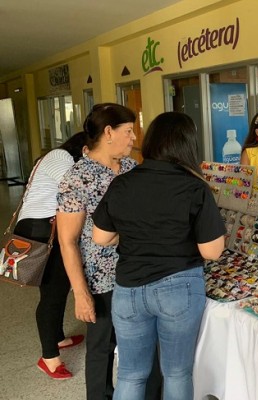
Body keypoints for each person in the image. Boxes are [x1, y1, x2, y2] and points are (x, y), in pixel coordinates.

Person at [92, 111, 226, 400]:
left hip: (128, 289)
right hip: (179, 288)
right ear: (188, 145)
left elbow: (100, 237)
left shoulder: (123, 183)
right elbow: (212, 251)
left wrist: (130, 230)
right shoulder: (194, 187)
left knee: (130, 373)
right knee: (176, 373)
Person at [56, 103, 161, 400]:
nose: (133, 138)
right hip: (102, 281)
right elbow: (68, 240)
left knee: (146, 344)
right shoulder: (76, 178)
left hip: (140, 272)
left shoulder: (131, 168)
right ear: (108, 132)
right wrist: (80, 293)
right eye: (128, 131)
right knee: (102, 346)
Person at [14, 132, 88, 380]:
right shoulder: (61, 156)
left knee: (55, 288)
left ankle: (57, 337)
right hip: (41, 229)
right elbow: (76, 188)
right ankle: (48, 358)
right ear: (83, 148)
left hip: (48, 227)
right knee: (53, 292)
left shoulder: (63, 157)